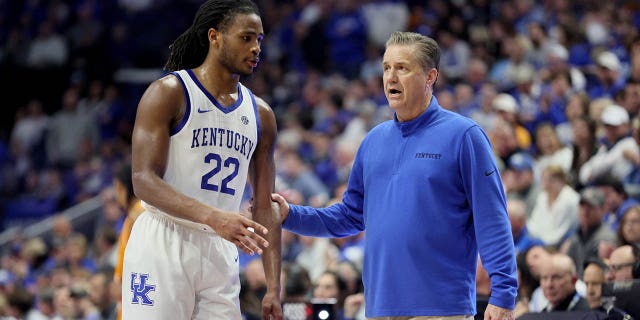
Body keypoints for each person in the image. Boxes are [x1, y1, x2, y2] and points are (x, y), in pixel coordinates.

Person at [273, 31, 518, 319]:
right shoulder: (373, 141)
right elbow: (349, 216)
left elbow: (492, 219)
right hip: (380, 308)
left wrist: (503, 293)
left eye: (402, 68)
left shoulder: (464, 136)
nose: (390, 77)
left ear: (430, 77)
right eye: (387, 68)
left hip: (441, 308)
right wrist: (291, 215)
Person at [122, 1, 282, 319]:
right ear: (215, 36)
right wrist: (213, 216)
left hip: (220, 249)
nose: (255, 48)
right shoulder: (169, 92)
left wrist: (274, 287)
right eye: (246, 37)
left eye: (260, 40)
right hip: (164, 239)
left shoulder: (261, 114)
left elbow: (265, 206)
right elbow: (142, 180)